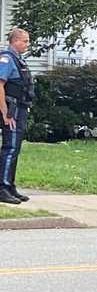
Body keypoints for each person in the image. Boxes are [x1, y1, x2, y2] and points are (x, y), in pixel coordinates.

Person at [0, 28, 34, 204]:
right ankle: (2, 188)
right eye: (25, 41)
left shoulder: (18, 59)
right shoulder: (6, 59)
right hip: (11, 111)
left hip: (19, 109)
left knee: (15, 148)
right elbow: (0, 86)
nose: (27, 44)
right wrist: (5, 113)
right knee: (10, 148)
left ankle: (10, 186)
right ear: (14, 41)